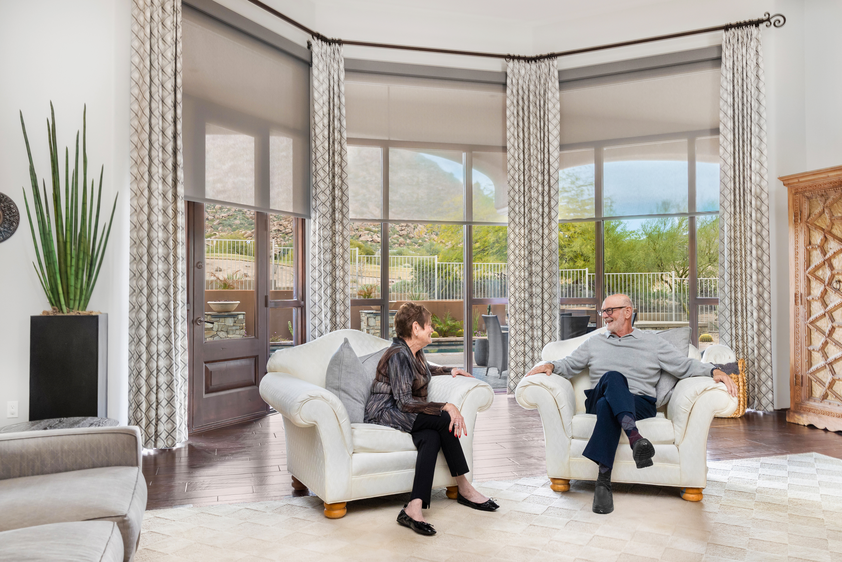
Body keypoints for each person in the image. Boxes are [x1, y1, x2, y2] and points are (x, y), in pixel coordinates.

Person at [526, 293, 738, 515]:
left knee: (609, 406)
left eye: (610, 311)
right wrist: (549, 365)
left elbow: (683, 366)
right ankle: (634, 438)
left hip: (640, 404)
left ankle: (603, 482)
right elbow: (569, 364)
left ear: (627, 312)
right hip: (599, 397)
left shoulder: (652, 342)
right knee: (613, 378)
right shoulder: (594, 342)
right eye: (603, 311)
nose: (605, 316)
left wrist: (714, 370)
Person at [364, 302, 499, 536]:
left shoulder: (414, 352)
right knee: (442, 418)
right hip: (384, 411)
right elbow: (404, 402)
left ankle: (414, 507)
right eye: (429, 325)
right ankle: (464, 487)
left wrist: (450, 370)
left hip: (402, 411)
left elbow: (427, 370)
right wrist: (445, 405)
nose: (432, 329)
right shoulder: (397, 355)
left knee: (431, 437)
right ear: (415, 328)